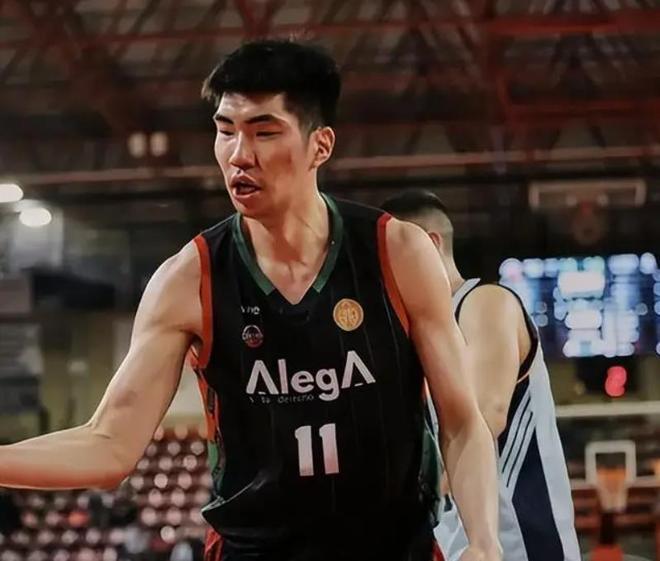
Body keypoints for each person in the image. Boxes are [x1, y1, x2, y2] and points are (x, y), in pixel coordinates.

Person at [0, 41, 501, 561]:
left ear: (320, 145)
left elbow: (462, 422)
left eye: (264, 132)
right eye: (225, 131)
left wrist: (485, 542)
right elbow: (109, 445)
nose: (240, 154)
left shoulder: (397, 252)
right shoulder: (188, 279)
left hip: (395, 548)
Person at [382, 190, 581, 561]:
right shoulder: (416, 340)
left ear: (430, 244)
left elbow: (484, 416)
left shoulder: (485, 302)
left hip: (522, 548)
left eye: (389, 261)